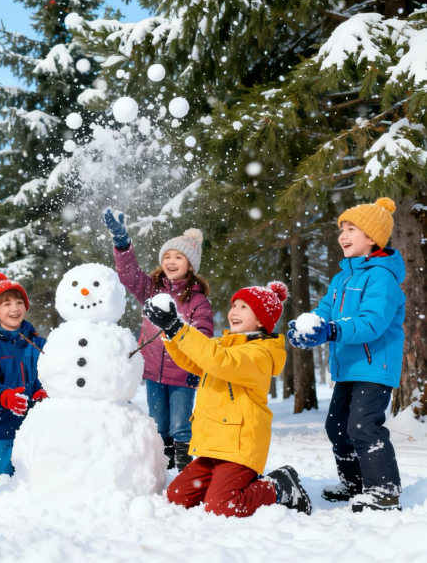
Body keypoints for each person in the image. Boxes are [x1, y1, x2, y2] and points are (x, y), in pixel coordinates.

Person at [143, 282, 312, 517]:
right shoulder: (222, 345)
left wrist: (178, 328)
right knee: (177, 497)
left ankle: (278, 486)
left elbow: (220, 361)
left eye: (244, 307)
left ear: (261, 320)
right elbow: (194, 360)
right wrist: (170, 332)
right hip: (214, 446)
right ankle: (224, 485)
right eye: (234, 305)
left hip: (238, 448)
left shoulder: (260, 354)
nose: (234, 311)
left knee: (222, 506)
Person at [288, 197, 405, 512]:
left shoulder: (382, 277)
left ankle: (384, 491)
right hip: (348, 367)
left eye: (352, 228)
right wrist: (307, 328)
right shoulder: (342, 279)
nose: (343, 234)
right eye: (342, 228)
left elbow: (373, 322)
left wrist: (333, 331)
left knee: (363, 427)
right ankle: (354, 482)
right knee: (336, 427)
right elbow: (325, 312)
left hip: (374, 365)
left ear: (372, 238)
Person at [103, 208, 213, 471]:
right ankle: (162, 473)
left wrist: (178, 330)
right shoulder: (152, 288)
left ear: (190, 265)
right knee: (158, 425)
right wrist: (122, 244)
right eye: (167, 256)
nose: (171, 261)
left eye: (178, 257)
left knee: (180, 427)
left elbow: (204, 336)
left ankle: (186, 475)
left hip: (183, 375)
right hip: (153, 373)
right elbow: (129, 275)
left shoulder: (197, 300)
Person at [0, 273, 48, 481]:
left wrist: (46, 390)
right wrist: (4, 396)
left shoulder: (40, 344)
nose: (14, 309)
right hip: (2, 424)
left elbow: (55, 374)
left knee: (44, 471)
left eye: (19, 302)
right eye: (6, 304)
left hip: (38, 424)